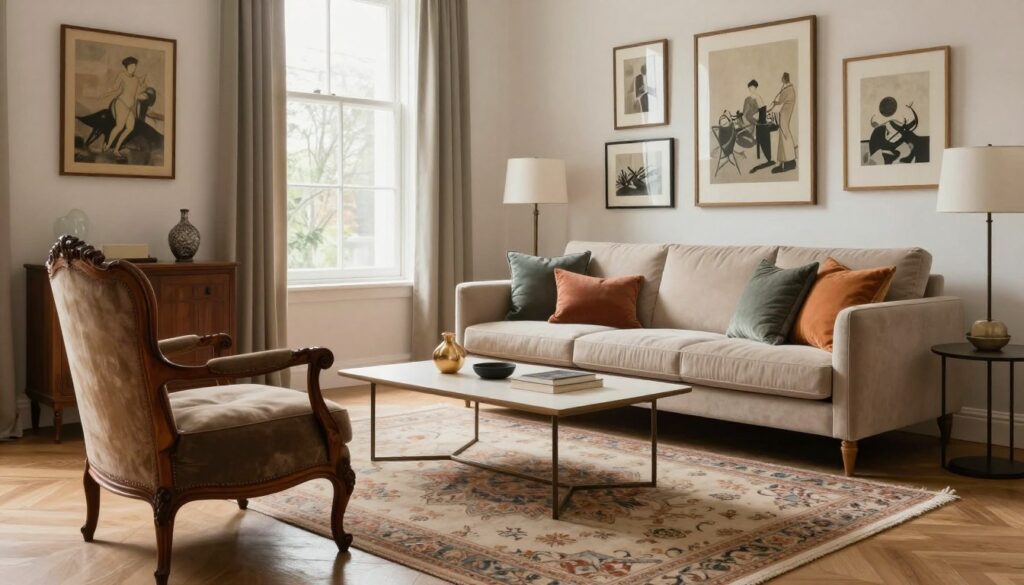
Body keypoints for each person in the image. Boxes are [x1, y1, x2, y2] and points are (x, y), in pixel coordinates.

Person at [102, 56, 148, 157]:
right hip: (121, 103)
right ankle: (108, 145)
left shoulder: (136, 79)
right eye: (131, 66)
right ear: (126, 66)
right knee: (119, 126)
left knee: (130, 128)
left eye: (134, 66)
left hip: (129, 107)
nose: (133, 68)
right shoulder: (122, 75)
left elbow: (136, 94)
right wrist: (106, 93)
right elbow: (115, 87)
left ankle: (116, 150)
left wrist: (144, 94)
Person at [742, 79, 777, 173]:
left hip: (760, 120)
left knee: (765, 132)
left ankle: (768, 158)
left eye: (752, 88)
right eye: (750, 88)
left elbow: (763, 111)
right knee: (762, 131)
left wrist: (770, 109)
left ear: (755, 88)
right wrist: (755, 119)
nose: (751, 89)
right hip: (753, 121)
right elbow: (746, 113)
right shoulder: (748, 99)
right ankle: (767, 157)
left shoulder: (758, 97)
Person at [770, 72, 797, 174]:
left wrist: (774, 103)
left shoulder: (787, 89)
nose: (781, 79)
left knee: (785, 136)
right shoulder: (790, 89)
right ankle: (784, 162)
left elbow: (780, 101)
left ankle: (787, 162)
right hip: (785, 113)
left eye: (782, 78)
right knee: (784, 136)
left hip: (784, 114)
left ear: (785, 79)